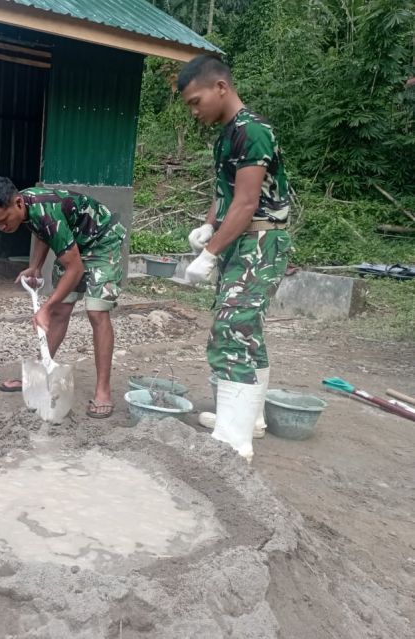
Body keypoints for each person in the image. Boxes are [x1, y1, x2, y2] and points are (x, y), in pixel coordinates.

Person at [179, 55, 292, 462]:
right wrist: (209, 226)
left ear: (221, 87)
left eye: (196, 101)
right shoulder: (227, 136)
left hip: (261, 240)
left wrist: (209, 254)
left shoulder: (253, 131)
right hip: (240, 240)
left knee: (232, 327)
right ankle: (248, 419)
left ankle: (233, 439)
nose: (194, 111)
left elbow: (246, 203)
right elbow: (225, 193)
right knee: (247, 329)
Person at [0, 177, 127, 418]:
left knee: (96, 311)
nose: (2, 227)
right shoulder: (27, 207)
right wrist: (35, 267)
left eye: (3, 220)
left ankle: (103, 391)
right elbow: (43, 232)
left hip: (102, 242)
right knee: (60, 310)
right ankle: (38, 375)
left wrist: (45, 307)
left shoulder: (46, 211)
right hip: (74, 242)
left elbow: (74, 267)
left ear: (17, 203)